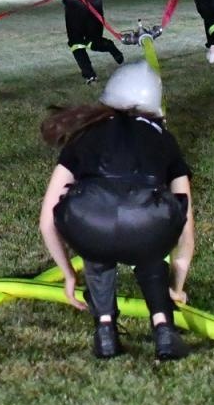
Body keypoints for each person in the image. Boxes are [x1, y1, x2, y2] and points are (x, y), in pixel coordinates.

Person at [37, 62, 196, 361]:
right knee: (150, 247)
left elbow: (47, 221)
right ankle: (163, 328)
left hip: (90, 226)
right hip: (148, 228)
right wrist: (176, 284)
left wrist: (69, 274)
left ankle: (105, 331)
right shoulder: (165, 139)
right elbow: (185, 223)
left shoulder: (83, 136)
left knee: (97, 247)